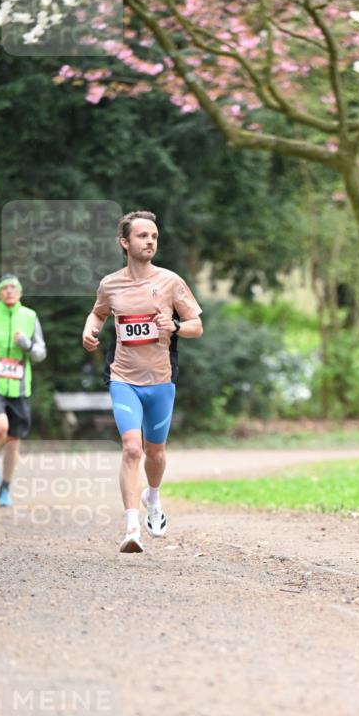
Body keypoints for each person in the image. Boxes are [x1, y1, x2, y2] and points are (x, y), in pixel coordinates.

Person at [82, 210, 203, 553]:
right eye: (142, 236)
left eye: (154, 236)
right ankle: (131, 527)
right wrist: (90, 329)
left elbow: (196, 326)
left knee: (155, 453)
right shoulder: (110, 284)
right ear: (124, 242)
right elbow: (98, 312)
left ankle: (154, 496)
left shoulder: (171, 282)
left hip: (161, 379)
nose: (150, 241)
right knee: (132, 448)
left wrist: (175, 326)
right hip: (123, 378)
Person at [0, 274, 47, 506]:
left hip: (20, 386)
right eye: (5, 288)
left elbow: (41, 352)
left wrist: (27, 344)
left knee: (14, 442)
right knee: (0, 427)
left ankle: (5, 488)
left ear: (20, 293)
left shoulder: (30, 316)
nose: (9, 291)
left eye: (14, 288)